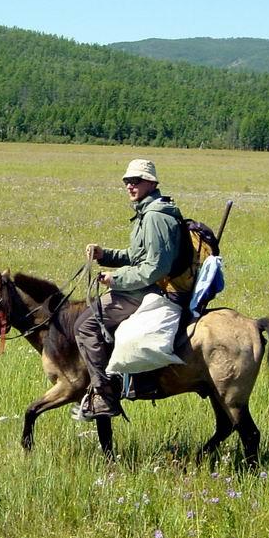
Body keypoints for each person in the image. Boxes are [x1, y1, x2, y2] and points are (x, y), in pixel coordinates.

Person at [74, 158, 182, 419]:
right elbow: (137, 256)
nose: (130, 186)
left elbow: (155, 269)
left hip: (148, 290)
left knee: (84, 325)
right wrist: (106, 255)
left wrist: (116, 280)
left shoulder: (155, 217)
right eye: (127, 181)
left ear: (151, 183)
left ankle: (103, 396)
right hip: (142, 285)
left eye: (136, 181)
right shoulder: (147, 212)